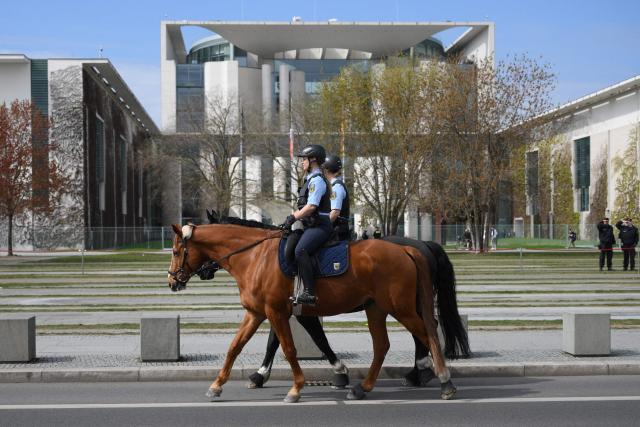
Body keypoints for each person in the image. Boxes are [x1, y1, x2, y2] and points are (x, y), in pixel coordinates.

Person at [283, 144, 332, 306]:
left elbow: (311, 206)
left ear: (313, 160)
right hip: (311, 226)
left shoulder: (317, 181)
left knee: (301, 250)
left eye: (304, 159)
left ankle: (310, 293)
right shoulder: (309, 180)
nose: (302, 163)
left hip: (320, 226)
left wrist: (292, 217)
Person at [323, 154, 351, 241]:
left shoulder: (336, 187)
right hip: (335, 228)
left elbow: (335, 213)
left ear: (326, 170)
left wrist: (322, 227)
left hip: (338, 230)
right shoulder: (332, 186)